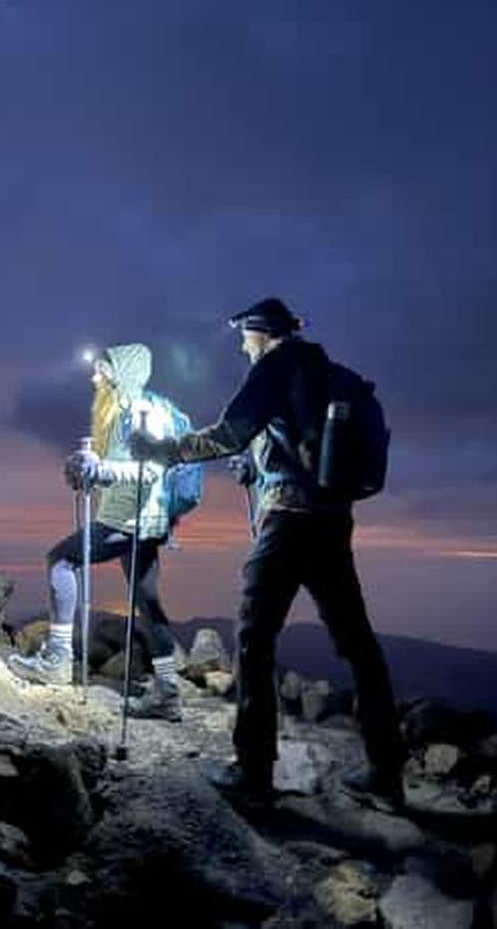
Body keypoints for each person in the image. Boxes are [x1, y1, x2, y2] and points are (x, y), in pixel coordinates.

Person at [131, 298, 405, 801]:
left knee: (255, 639)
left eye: (244, 337)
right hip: (332, 522)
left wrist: (163, 451)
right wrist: (257, 468)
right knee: (358, 644)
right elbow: (295, 441)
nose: (241, 345)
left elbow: (229, 434)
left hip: (286, 525)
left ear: (261, 333)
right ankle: (387, 771)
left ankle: (254, 772)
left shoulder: (275, 366)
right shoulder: (330, 373)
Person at [6, 343, 183, 722]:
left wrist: (100, 470)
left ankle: (57, 660)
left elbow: (150, 470)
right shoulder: (125, 412)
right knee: (148, 603)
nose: (95, 378)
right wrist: (90, 472)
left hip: (129, 521)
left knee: (60, 560)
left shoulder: (141, 413)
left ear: (121, 374)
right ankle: (168, 695)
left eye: (102, 371)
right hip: (139, 521)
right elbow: (123, 466)